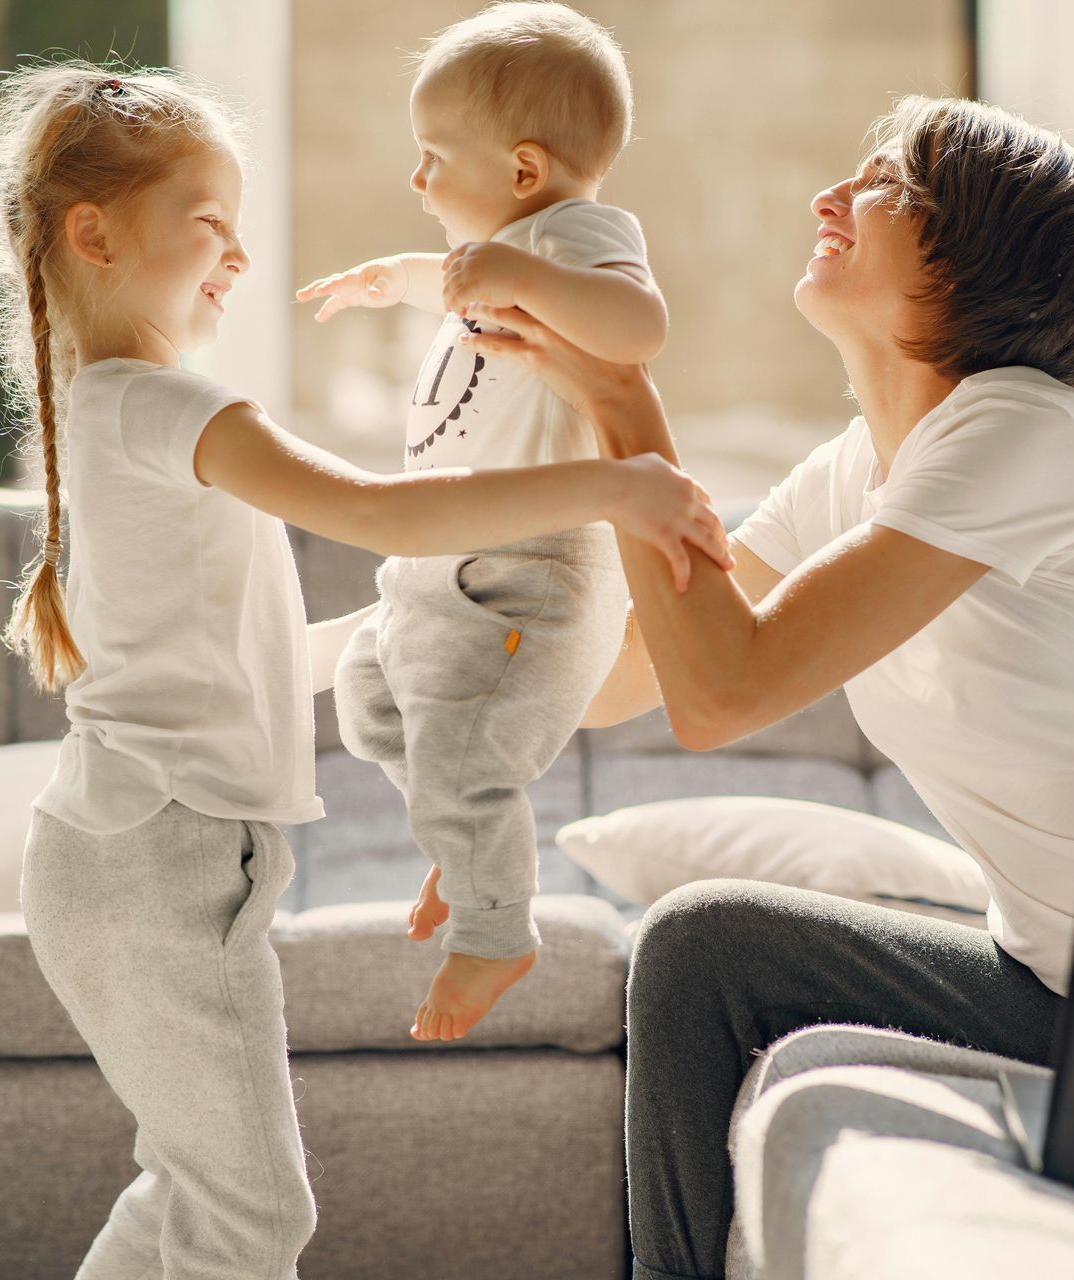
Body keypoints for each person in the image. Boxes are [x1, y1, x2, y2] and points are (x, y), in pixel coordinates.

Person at [460, 95, 1074, 1280]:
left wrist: (627, 409)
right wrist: (450, 621)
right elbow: (621, 683)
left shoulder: (1028, 428)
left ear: (979, 255)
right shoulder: (852, 469)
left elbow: (725, 692)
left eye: (885, 186)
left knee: (702, 938)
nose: (831, 199)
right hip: (1069, 989)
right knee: (706, 950)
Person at [0, 59, 727, 1280]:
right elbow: (381, 514)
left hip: (122, 861)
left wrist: (420, 652)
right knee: (252, 1217)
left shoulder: (112, 410)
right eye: (210, 225)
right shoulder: (168, 408)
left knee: (194, 1187)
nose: (237, 258)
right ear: (93, 234)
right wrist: (616, 484)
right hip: (160, 863)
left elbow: (259, 655)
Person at [295, 2, 667, 1042]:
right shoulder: (495, 255)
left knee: (463, 757)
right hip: (443, 557)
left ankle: (499, 928)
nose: (416, 181)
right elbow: (452, 289)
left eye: (432, 157)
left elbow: (640, 328)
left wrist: (527, 274)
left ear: (523, 170)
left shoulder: (580, 238)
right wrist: (392, 281)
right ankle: (467, 846)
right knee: (369, 700)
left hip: (532, 566)